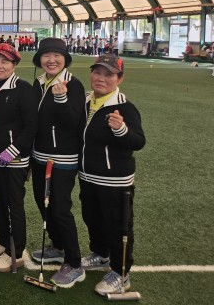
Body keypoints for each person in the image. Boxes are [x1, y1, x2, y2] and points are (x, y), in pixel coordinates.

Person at [79, 54, 145, 296]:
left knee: (118, 227)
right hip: (88, 177)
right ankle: (101, 253)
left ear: (120, 79)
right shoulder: (87, 101)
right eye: (97, 72)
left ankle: (121, 273)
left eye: (109, 74)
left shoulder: (125, 108)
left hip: (115, 181)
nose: (101, 78)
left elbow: (138, 142)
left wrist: (121, 129)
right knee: (92, 218)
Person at [30, 38, 86, 288]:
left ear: (65, 59)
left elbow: (74, 122)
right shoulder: (39, 82)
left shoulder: (73, 84)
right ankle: (58, 245)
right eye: (46, 55)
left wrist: (62, 98)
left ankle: (74, 263)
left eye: (57, 56)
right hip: (38, 156)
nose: (51, 60)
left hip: (62, 159)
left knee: (60, 209)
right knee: (42, 203)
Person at [0, 43, 37, 272]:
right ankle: (4, 241)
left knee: (14, 205)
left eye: (4, 61)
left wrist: (12, 150)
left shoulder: (24, 89)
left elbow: (31, 126)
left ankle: (17, 252)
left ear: (14, 64)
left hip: (14, 161)